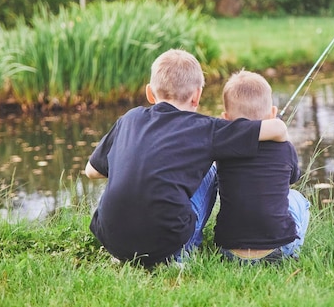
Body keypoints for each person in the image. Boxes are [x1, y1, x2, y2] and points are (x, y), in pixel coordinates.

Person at [84, 49, 289, 269]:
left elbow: (91, 171)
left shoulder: (129, 119)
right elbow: (276, 129)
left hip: (110, 239)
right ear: (197, 96)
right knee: (210, 170)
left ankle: (127, 249)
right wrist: (280, 126)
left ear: (150, 94)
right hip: (166, 242)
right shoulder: (205, 128)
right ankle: (179, 253)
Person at [215, 70, 310, 264]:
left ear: (226, 118)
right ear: (273, 114)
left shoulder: (222, 149)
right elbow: (293, 178)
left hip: (229, 249)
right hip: (278, 248)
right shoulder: (284, 147)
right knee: (298, 199)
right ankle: (292, 250)